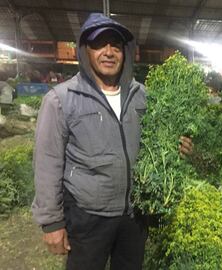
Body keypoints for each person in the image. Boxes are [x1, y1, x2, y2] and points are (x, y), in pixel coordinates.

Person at [31, 13, 192, 270]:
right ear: (86, 51)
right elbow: (47, 162)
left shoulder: (143, 96)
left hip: (134, 214)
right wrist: (52, 222)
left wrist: (178, 147)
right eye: (99, 44)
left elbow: (157, 143)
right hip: (87, 214)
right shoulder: (62, 99)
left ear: (125, 52)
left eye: (115, 45)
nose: (108, 52)